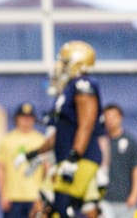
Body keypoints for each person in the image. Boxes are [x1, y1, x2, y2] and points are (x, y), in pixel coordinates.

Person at [17, 40, 104, 218]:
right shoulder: (70, 88)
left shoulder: (83, 84)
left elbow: (86, 125)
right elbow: (61, 133)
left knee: (60, 208)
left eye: (65, 62)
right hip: (66, 158)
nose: (60, 66)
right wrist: (33, 153)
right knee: (48, 205)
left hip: (80, 159)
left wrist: (74, 157)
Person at [0, 102, 46, 218]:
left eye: (29, 118)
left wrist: (43, 196)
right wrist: (3, 195)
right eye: (23, 117)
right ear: (16, 119)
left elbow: (46, 169)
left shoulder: (42, 141)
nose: (26, 121)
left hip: (35, 195)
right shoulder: (7, 140)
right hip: (13, 196)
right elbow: (1, 169)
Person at [101, 103, 137, 218]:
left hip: (124, 199)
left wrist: (134, 194)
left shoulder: (130, 142)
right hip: (103, 199)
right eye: (107, 117)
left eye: (113, 117)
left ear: (121, 117)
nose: (110, 121)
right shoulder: (100, 142)